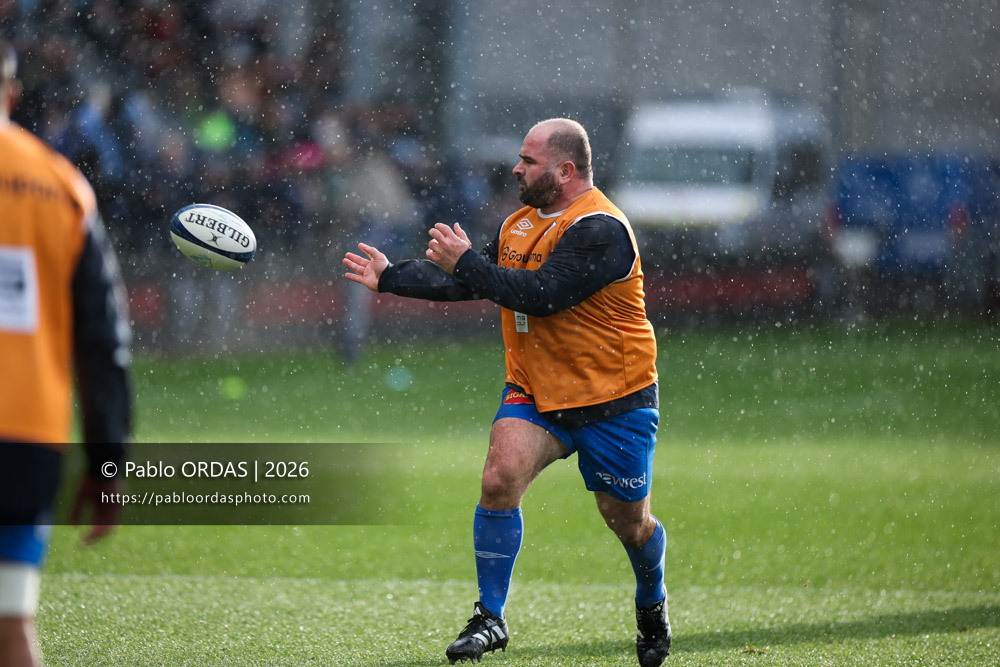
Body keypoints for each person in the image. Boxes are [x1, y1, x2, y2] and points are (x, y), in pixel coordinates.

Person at [344, 118, 671, 666]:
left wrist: (468, 262)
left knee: (627, 521)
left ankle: (651, 598)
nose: (516, 169)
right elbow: (471, 280)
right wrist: (392, 276)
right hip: (535, 391)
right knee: (499, 478)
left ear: (565, 170)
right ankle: (490, 617)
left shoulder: (600, 228)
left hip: (613, 401)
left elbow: (543, 294)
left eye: (529, 161)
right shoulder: (518, 224)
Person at [0, 38, 133, 667]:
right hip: (26, 438)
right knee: (11, 626)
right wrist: (107, 464)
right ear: (11, 91)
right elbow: (103, 342)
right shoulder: (60, 187)